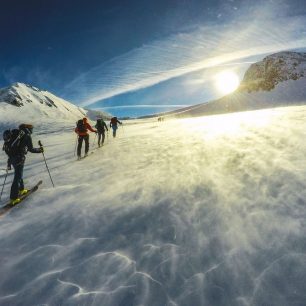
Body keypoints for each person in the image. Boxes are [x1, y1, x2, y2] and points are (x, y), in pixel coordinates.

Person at [3, 124, 43, 205]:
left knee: (19, 174)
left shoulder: (17, 133)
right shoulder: (26, 135)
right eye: (32, 129)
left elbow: (11, 148)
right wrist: (40, 150)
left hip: (12, 158)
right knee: (17, 177)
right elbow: (31, 149)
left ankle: (21, 190)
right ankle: (13, 198)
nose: (32, 131)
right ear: (28, 129)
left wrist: (9, 162)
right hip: (19, 159)